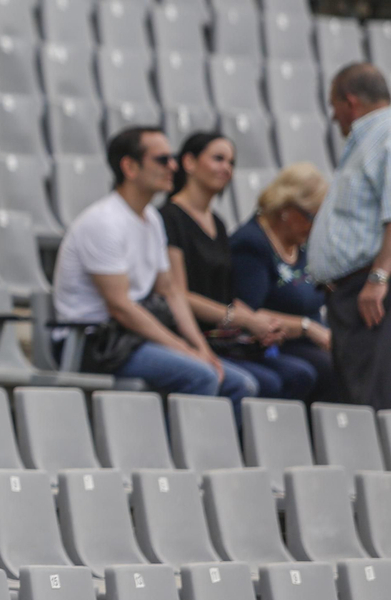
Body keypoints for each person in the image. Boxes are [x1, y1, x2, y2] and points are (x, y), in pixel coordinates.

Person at [52, 126, 248, 399]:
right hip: (94, 343)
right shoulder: (103, 222)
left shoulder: (152, 219)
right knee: (201, 376)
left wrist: (200, 348)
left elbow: (170, 291)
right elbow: (121, 307)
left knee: (240, 384)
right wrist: (184, 349)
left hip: (130, 338)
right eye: (162, 160)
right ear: (130, 167)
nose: (173, 167)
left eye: (172, 158)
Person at [161, 132, 312, 401]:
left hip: (224, 337)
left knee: (298, 374)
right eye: (218, 159)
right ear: (189, 162)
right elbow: (178, 294)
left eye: (231, 162)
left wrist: (263, 325)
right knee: (262, 383)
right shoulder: (170, 217)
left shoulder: (217, 223)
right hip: (190, 334)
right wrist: (244, 319)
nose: (226, 168)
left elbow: (226, 294)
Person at [307, 63, 391, 409]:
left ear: (351, 102)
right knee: (359, 398)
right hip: (355, 292)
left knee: (369, 401)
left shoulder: (385, 136)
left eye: (334, 105)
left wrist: (378, 277)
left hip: (368, 292)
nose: (333, 116)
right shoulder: (371, 138)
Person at [230, 164, 341, 402]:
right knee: (331, 369)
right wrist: (306, 327)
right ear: (286, 209)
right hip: (272, 345)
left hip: (309, 342)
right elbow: (248, 313)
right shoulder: (251, 244)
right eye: (312, 217)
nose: (315, 227)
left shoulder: (303, 245)